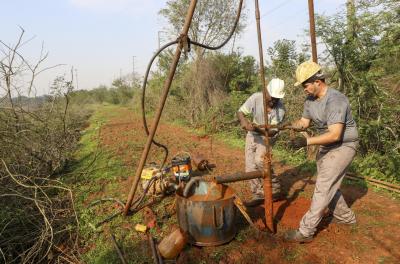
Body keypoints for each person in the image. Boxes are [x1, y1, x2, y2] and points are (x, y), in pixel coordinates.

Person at [284, 60, 359, 243]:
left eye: (306, 84)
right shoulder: (310, 100)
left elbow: (334, 135)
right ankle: (346, 217)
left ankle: (306, 231)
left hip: (343, 145)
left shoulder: (336, 100)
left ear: (318, 81)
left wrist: (306, 141)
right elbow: (304, 122)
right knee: (328, 183)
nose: (304, 88)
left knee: (323, 186)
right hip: (326, 145)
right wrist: (284, 126)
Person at [237, 78, 285, 207]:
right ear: (265, 92)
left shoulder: (280, 109)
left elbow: (272, 132)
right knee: (250, 167)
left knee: (260, 160)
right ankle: (258, 194)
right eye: (272, 97)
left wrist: (258, 128)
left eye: (277, 98)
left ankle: (275, 188)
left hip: (267, 137)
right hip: (252, 135)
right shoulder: (255, 98)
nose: (274, 100)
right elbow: (241, 112)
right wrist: (244, 123)